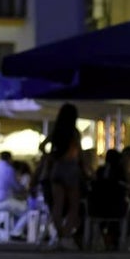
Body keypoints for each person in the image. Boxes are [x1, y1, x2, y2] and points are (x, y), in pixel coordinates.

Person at [38, 103, 88, 250]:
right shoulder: (74, 132)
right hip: (71, 169)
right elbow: (80, 153)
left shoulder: (56, 131)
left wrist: (51, 157)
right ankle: (66, 236)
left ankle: (60, 236)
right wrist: (85, 169)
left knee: (57, 205)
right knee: (74, 206)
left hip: (57, 169)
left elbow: (41, 146)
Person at [0, 151, 29, 240]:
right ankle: (16, 232)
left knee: (14, 207)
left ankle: (11, 230)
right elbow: (16, 187)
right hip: (2, 201)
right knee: (27, 210)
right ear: (9, 159)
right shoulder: (8, 169)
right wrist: (24, 190)